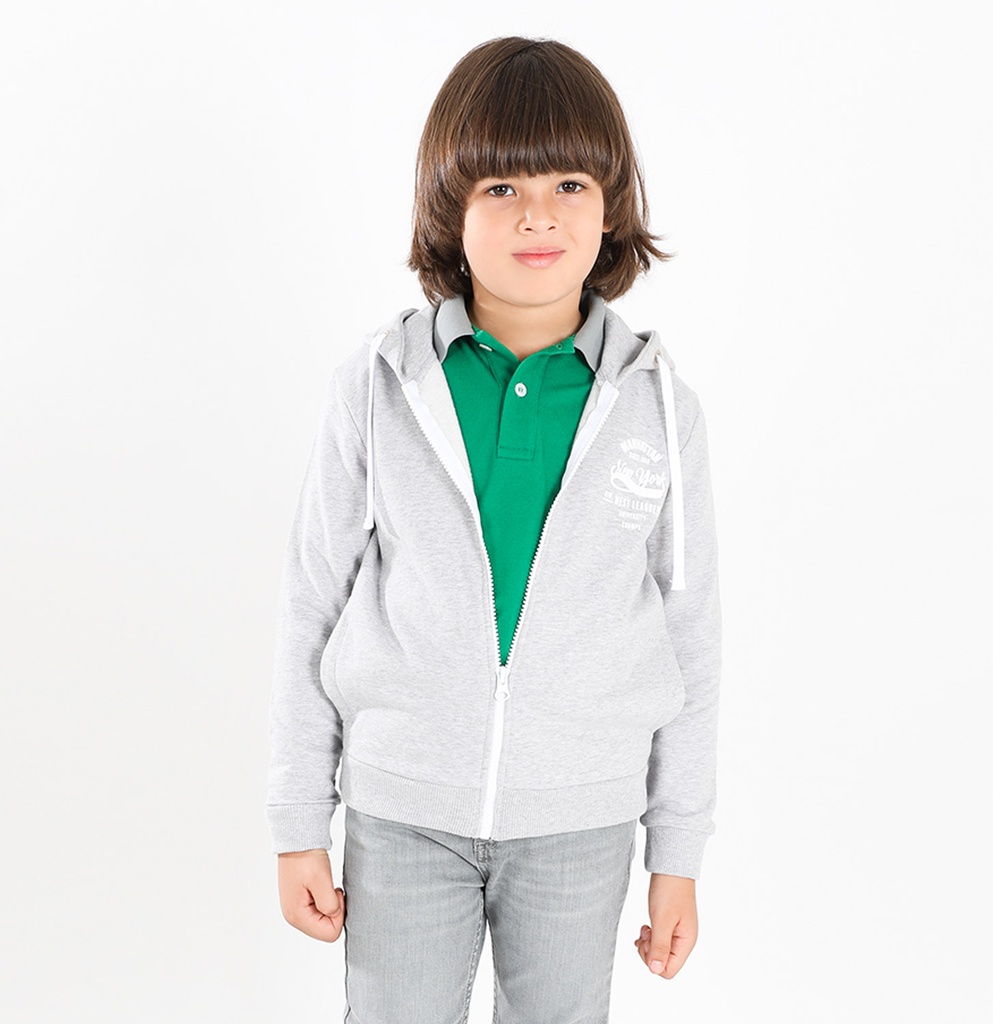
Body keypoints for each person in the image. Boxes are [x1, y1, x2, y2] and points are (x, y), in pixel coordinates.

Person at [267, 35, 723, 1023]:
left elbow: (689, 631)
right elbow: (314, 602)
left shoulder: (658, 408)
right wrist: (298, 817)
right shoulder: (380, 387)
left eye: (568, 184)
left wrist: (676, 853)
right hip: (402, 810)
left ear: (611, 208)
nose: (537, 216)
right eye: (501, 187)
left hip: (582, 820)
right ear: (451, 207)